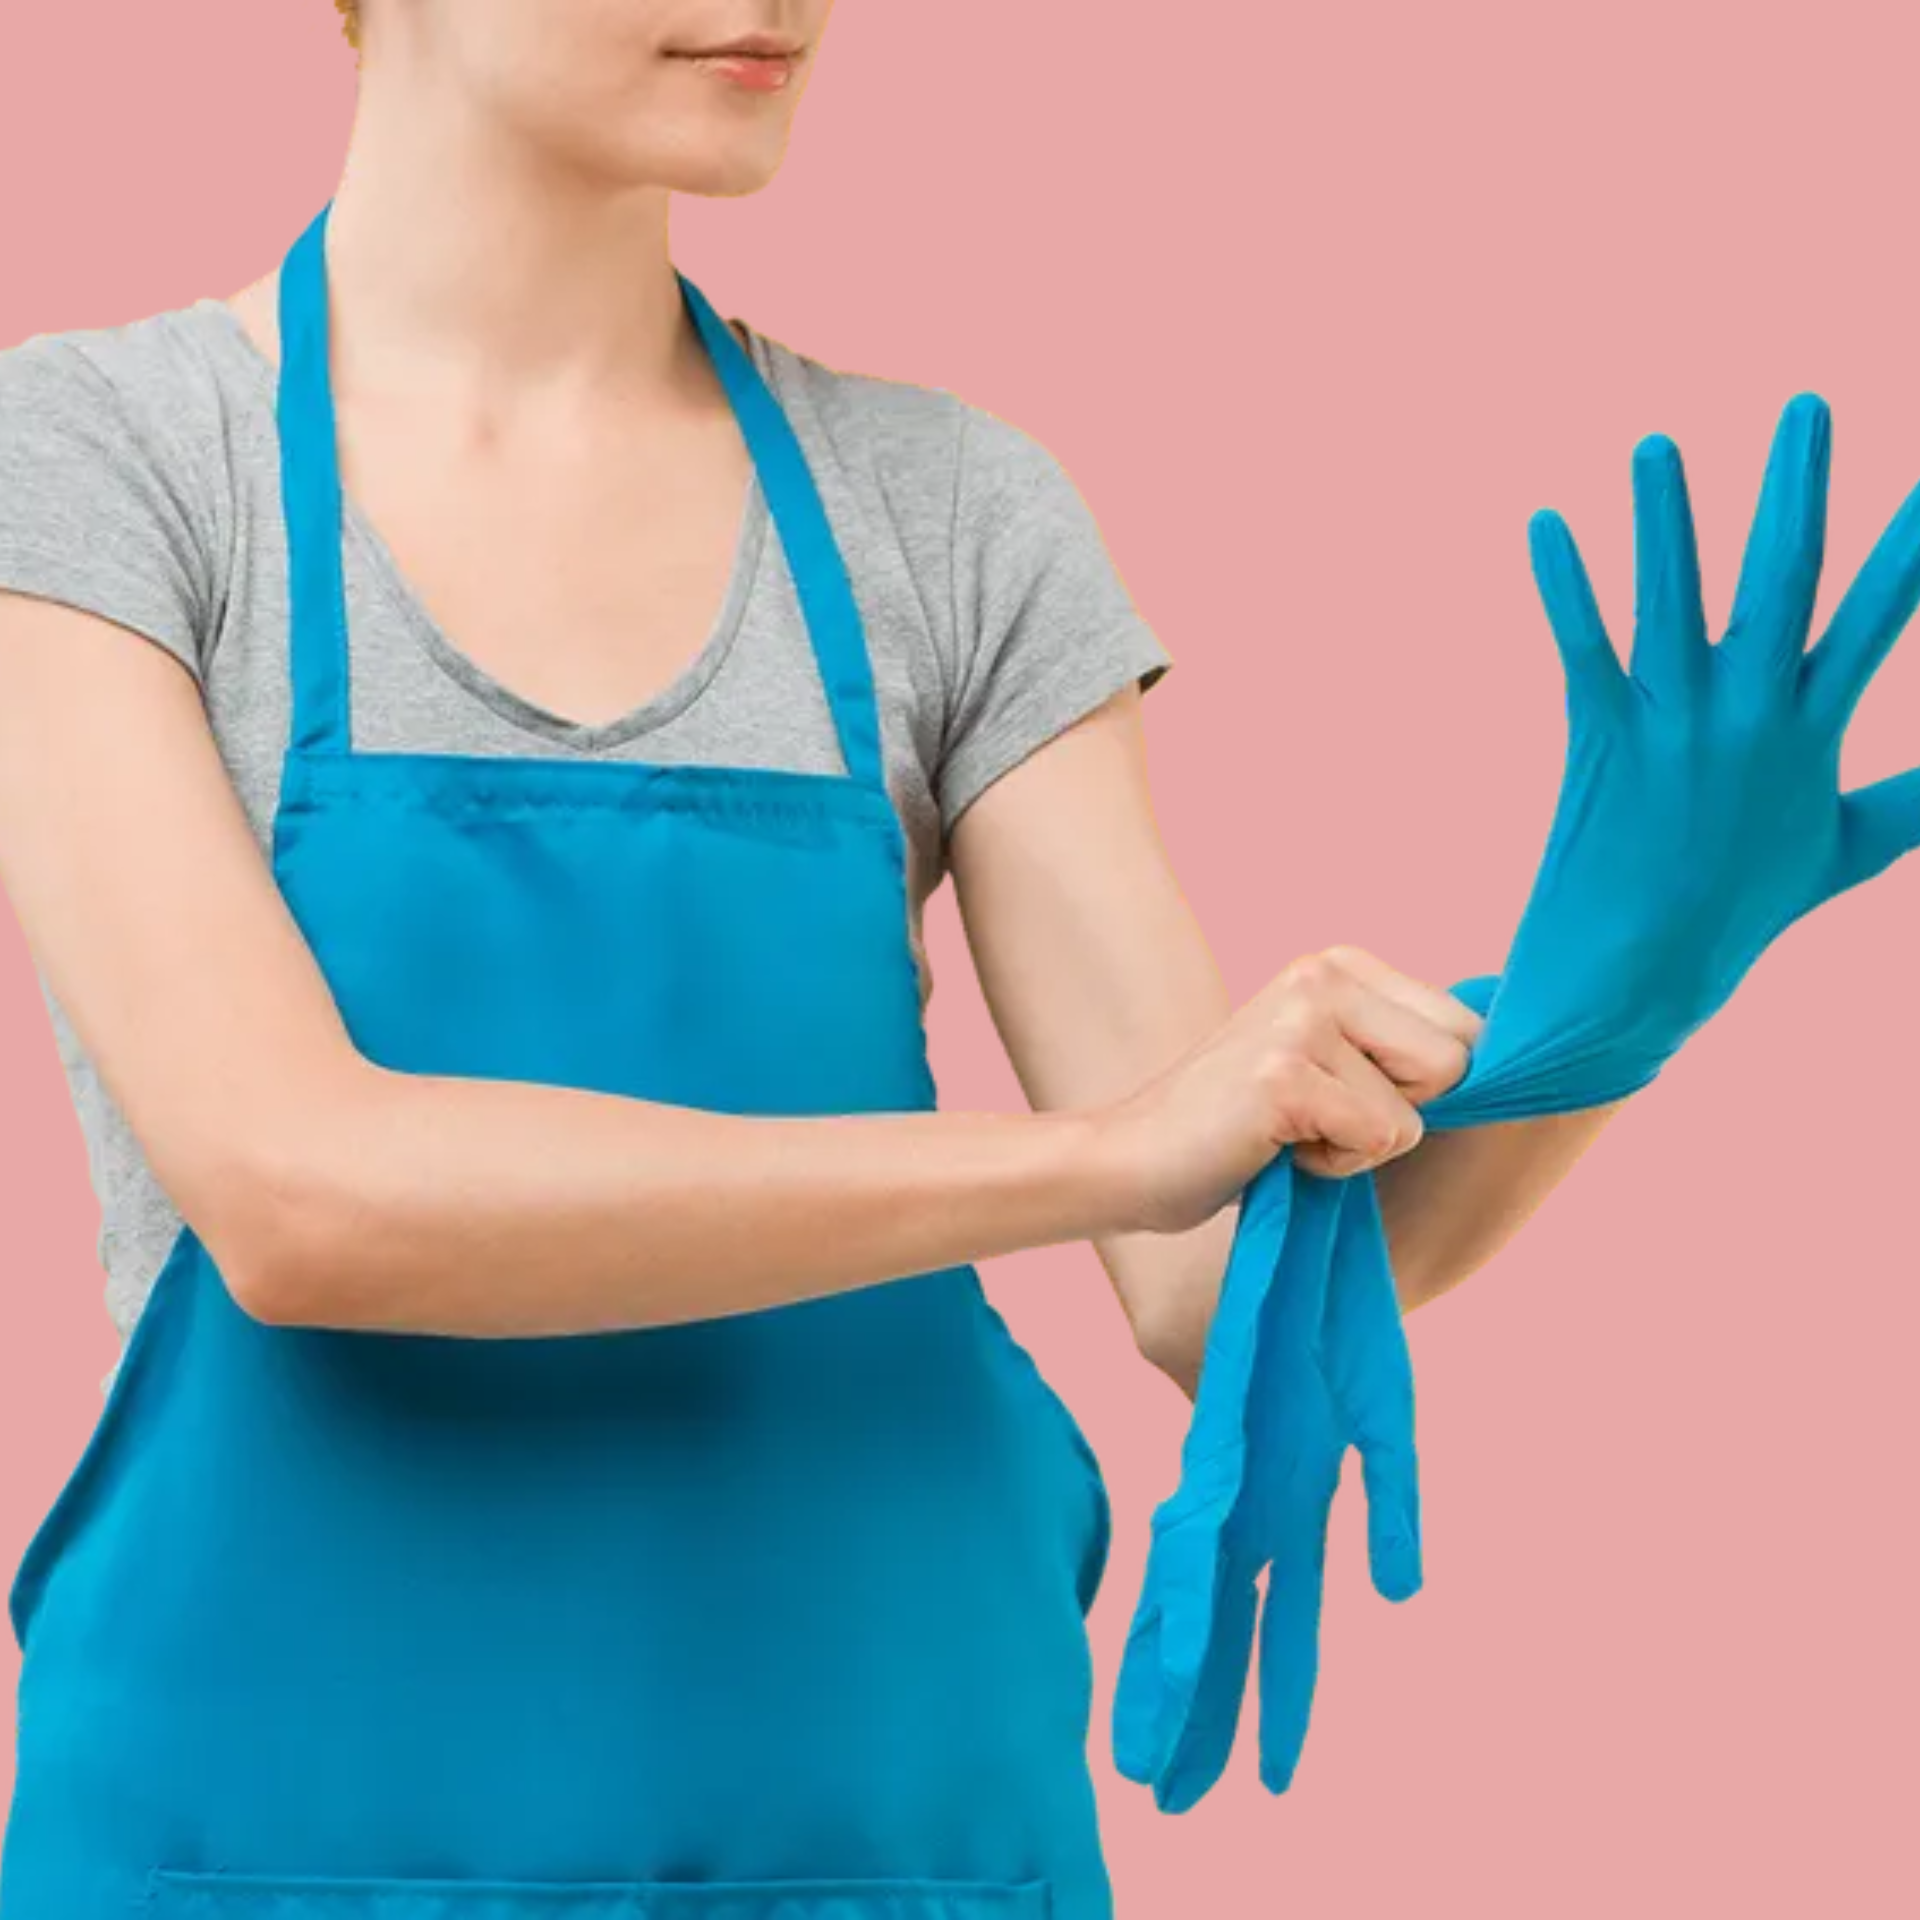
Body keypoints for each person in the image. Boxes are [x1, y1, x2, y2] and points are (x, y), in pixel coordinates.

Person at [0, 5, 1629, 1917]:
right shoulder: (110, 458)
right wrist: (1104, 1149)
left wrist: (1627, 992)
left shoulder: (944, 510)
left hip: (892, 1860)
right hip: (263, 1866)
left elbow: (1209, 1273)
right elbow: (303, 1194)